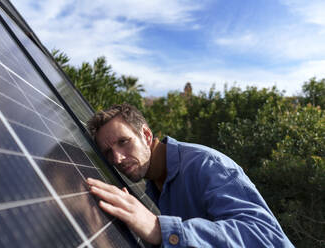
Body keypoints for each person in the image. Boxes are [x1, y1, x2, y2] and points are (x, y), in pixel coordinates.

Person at [86, 103, 294, 247]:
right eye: (108, 152)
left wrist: (161, 229)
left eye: (123, 142)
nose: (117, 159)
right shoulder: (151, 184)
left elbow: (264, 235)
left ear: (147, 135)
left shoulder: (205, 164)